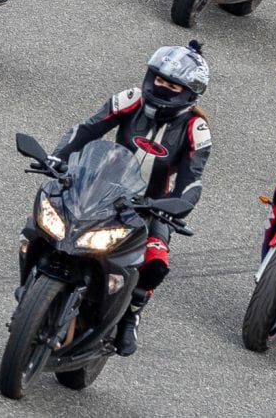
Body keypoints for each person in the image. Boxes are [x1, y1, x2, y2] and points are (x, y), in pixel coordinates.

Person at [47, 42, 210, 358]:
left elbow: (193, 179)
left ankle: (131, 313)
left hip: (151, 207)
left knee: (156, 264)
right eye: (159, 79)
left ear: (189, 92)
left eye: (173, 85)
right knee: (47, 221)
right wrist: (58, 157)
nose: (162, 87)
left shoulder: (197, 128)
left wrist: (176, 207)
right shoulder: (131, 98)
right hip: (102, 188)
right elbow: (87, 130)